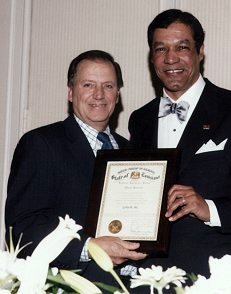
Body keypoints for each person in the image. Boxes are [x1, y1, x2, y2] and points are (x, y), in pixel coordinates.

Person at [128, 9, 231, 280]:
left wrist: (210, 209)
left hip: (220, 276)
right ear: (151, 56)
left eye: (182, 47)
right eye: (161, 49)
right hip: (150, 278)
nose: (171, 58)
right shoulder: (140, 119)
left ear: (200, 51)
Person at [5, 50, 146, 289]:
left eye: (108, 86)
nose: (99, 95)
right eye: (88, 84)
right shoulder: (41, 144)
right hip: (67, 284)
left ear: (118, 95)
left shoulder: (132, 152)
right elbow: (23, 229)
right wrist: (90, 247)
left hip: (131, 284)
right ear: (71, 92)